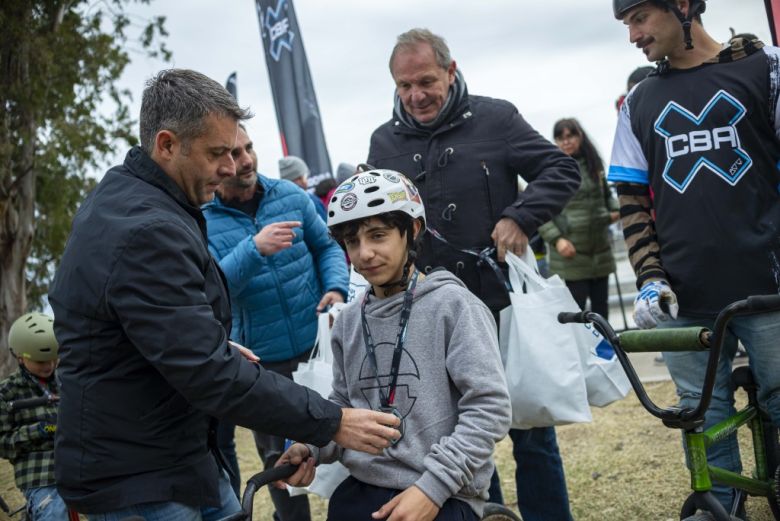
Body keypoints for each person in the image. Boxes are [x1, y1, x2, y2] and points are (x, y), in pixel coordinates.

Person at [48, 68, 401, 520]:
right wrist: (333, 422)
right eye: (218, 153)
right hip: (142, 477)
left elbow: (144, 325)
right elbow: (206, 373)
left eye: (238, 150)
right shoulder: (147, 228)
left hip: (175, 453)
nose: (232, 167)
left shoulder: (142, 202)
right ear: (167, 144)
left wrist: (205, 335)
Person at [366, 28, 581, 521]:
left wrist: (520, 216)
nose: (416, 96)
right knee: (456, 438)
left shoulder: (496, 118)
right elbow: (374, 226)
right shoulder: (383, 142)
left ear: (450, 70)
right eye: (404, 86)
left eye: (425, 81)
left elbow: (560, 171)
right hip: (428, 318)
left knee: (531, 434)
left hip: (498, 306)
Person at [609, 0, 780, 514]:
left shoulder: (765, 68)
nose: (633, 35)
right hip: (683, 296)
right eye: (626, 24)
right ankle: (721, 506)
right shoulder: (637, 101)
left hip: (769, 289)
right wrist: (649, 278)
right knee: (701, 415)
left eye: (639, 18)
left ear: (682, 6)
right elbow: (633, 202)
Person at [277, 169, 511, 521]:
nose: (365, 253)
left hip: (441, 490)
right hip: (362, 487)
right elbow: (344, 402)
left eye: (378, 235)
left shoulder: (453, 307)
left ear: (412, 231)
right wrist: (309, 444)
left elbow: (489, 408)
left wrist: (433, 488)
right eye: (353, 242)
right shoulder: (348, 322)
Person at [203, 124, 348, 521]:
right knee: (280, 464)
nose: (246, 159)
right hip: (260, 363)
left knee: (340, 446)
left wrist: (336, 288)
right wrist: (253, 248)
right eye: (233, 153)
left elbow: (327, 246)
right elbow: (210, 287)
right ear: (214, 162)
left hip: (316, 349)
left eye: (248, 148)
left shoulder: (290, 196)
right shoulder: (201, 220)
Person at [538, 118, 619, 318]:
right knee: (576, 312)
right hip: (570, 253)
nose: (566, 141)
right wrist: (558, 240)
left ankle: (605, 349)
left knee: (602, 309)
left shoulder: (595, 167)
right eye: (560, 137)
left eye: (570, 136)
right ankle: (583, 350)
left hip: (600, 248)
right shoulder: (551, 170)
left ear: (579, 136)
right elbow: (540, 210)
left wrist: (616, 211)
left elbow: (607, 198)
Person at [0, 313, 67, 520]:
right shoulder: (7, 392)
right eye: (39, 361)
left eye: (52, 359)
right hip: (40, 475)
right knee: (54, 513)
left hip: (80, 465)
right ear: (20, 356)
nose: (48, 366)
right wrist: (37, 430)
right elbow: (2, 444)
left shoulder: (68, 382)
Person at [278, 155, 328, 221]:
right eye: (305, 175)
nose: (306, 179)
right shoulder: (310, 201)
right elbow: (327, 227)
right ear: (300, 178)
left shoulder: (277, 205)